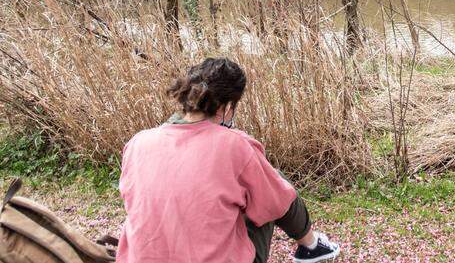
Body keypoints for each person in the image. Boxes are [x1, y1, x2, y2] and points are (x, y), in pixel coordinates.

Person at [115, 57, 341, 263]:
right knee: (270, 185)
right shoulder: (235, 145)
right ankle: (312, 246)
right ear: (227, 107)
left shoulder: (138, 143)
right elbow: (277, 202)